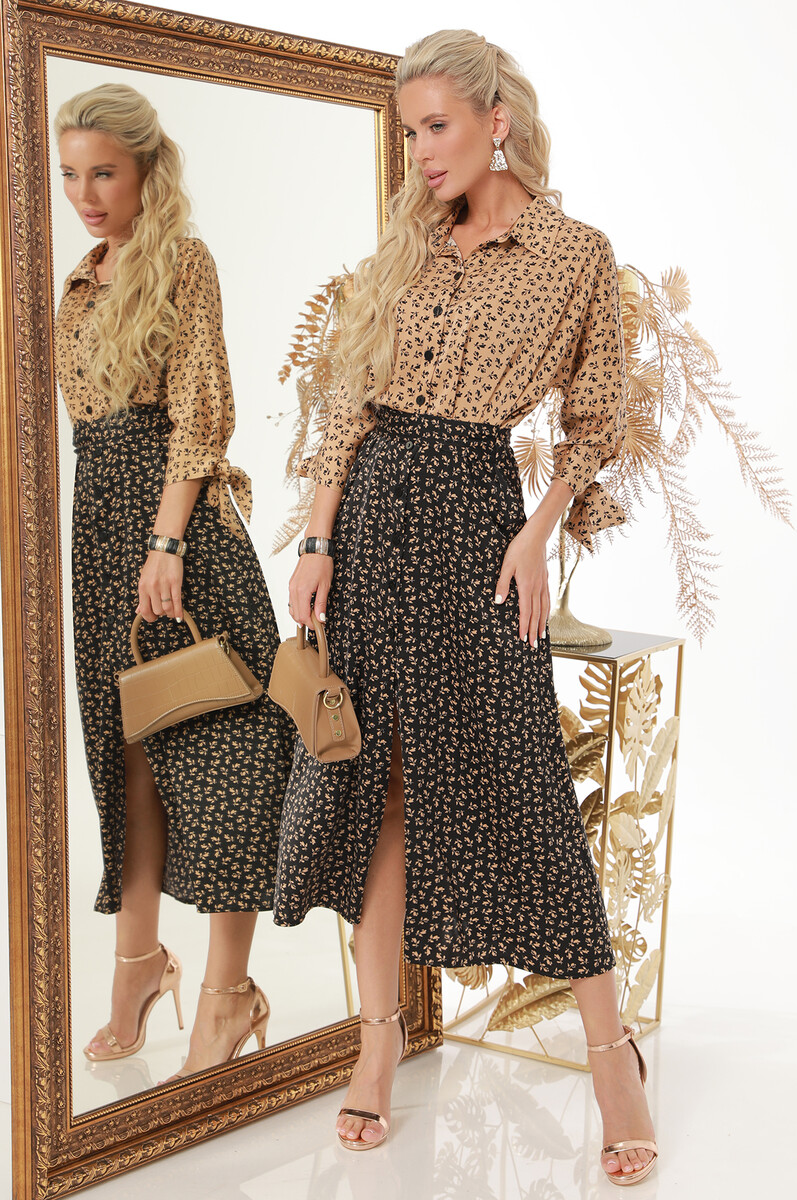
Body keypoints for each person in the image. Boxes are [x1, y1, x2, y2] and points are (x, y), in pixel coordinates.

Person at [276, 29, 657, 1186]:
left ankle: (610, 1059)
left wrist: (536, 532)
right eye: (408, 133)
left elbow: (597, 417)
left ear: (496, 119)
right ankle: (378, 1044)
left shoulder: (572, 254)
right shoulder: (405, 243)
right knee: (379, 784)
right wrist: (316, 535)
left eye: (435, 126)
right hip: (371, 519)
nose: (420, 152)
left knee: (521, 780)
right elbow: (345, 399)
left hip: (477, 521)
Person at [54, 83, 294, 1079]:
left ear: (147, 168)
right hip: (99, 536)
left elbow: (201, 410)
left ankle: (228, 994)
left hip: (181, 532)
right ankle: (139, 969)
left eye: (104, 172)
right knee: (130, 764)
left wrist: (166, 541)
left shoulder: (182, 262)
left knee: (228, 758)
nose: (85, 194)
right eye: (70, 175)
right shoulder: (75, 285)